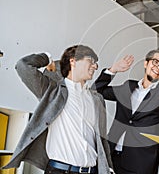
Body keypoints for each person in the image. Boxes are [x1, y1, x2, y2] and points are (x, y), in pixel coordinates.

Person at [3, 45, 114, 174]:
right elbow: (23, 66)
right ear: (73, 61)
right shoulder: (52, 91)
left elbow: (102, 139)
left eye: (96, 64)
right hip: (60, 170)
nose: (95, 66)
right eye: (91, 61)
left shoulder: (97, 99)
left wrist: (108, 168)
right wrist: (47, 59)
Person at [94, 48, 159, 174]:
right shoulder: (128, 86)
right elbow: (96, 92)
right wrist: (113, 70)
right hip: (111, 156)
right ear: (146, 63)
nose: (158, 67)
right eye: (155, 62)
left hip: (141, 162)